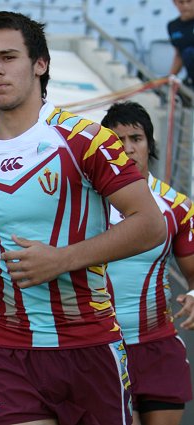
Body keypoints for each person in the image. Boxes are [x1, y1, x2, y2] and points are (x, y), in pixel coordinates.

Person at [0, 11, 166, 425]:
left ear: (40, 63)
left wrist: (62, 259)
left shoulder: (86, 140)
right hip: (9, 349)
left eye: (8, 56)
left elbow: (149, 224)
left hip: (89, 346)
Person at [101, 101, 194, 425]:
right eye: (116, 140)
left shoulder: (178, 206)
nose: (127, 148)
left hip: (157, 346)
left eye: (136, 139)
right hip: (99, 347)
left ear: (149, 144)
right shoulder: (85, 205)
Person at [168, 0, 194, 88]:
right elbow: (179, 55)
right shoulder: (172, 26)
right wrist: (171, 76)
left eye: (189, 1)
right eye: (181, 2)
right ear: (175, 3)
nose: (185, 6)